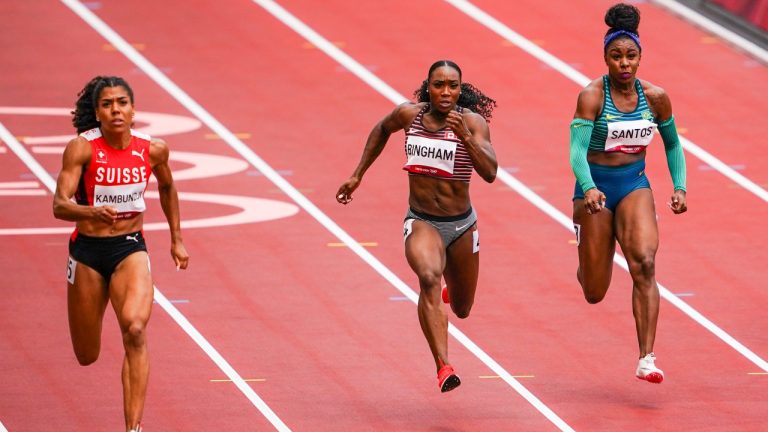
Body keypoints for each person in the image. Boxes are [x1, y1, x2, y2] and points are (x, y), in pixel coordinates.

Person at [336, 60, 497, 392]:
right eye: (439, 85)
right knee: (427, 278)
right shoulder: (410, 116)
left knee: (463, 308)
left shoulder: (473, 123)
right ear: (428, 86)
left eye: (453, 85)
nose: (446, 92)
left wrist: (464, 136)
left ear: (461, 89)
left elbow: (491, 172)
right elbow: (382, 128)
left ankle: (453, 283)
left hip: (462, 225)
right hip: (422, 221)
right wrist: (357, 174)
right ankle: (444, 366)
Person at [53, 76, 189, 431]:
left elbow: (168, 187)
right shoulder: (81, 149)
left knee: (135, 329)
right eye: (108, 104)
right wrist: (89, 213)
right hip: (87, 251)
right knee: (86, 355)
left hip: (129, 247)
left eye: (122, 103)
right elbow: (59, 205)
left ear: (133, 110)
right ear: (97, 113)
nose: (116, 110)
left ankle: (133, 428)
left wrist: (177, 238)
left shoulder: (153, 149)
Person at [569, 3, 687, 384]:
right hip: (596, 190)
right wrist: (587, 188)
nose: (624, 63)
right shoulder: (591, 96)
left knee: (646, 264)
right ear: (606, 57)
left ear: (640, 58)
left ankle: (646, 358)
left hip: (635, 184)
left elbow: (671, 145)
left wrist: (679, 185)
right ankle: (585, 248)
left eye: (631, 56)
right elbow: (576, 152)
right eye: (616, 56)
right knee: (594, 291)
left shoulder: (656, 98)